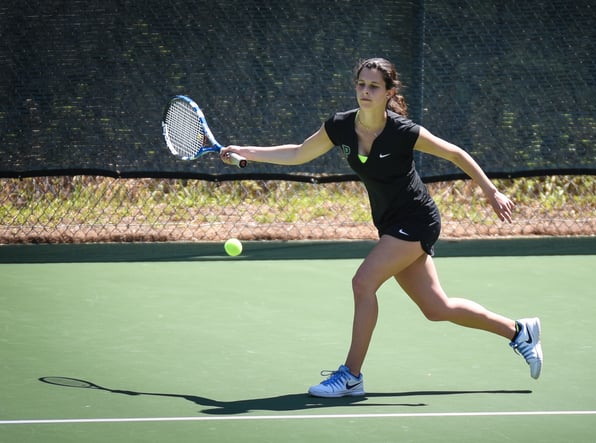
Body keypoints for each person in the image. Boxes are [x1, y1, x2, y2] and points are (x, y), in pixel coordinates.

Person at [221, 58, 542, 398]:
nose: (365, 91)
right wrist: (246, 152)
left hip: (417, 220)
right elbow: (300, 153)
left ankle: (351, 375)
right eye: (361, 84)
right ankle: (519, 331)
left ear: (389, 93)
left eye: (374, 86)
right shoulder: (340, 126)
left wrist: (491, 191)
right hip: (390, 222)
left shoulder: (404, 132)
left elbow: (456, 154)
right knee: (437, 308)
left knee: (363, 283)